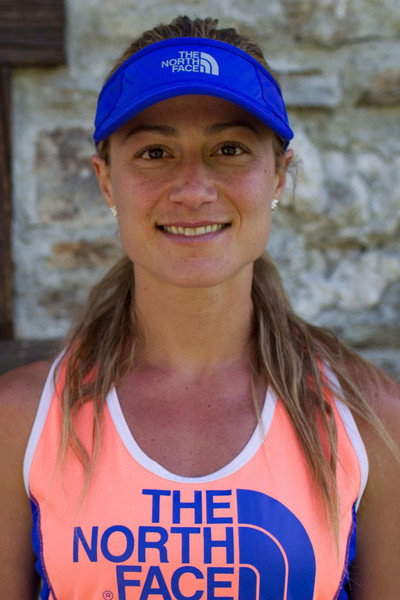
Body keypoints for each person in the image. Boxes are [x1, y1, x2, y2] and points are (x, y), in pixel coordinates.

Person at [1, 15, 399, 600]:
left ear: (278, 176)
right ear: (106, 181)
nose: (193, 190)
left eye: (229, 149)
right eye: (155, 152)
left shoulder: (371, 417)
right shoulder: (21, 420)